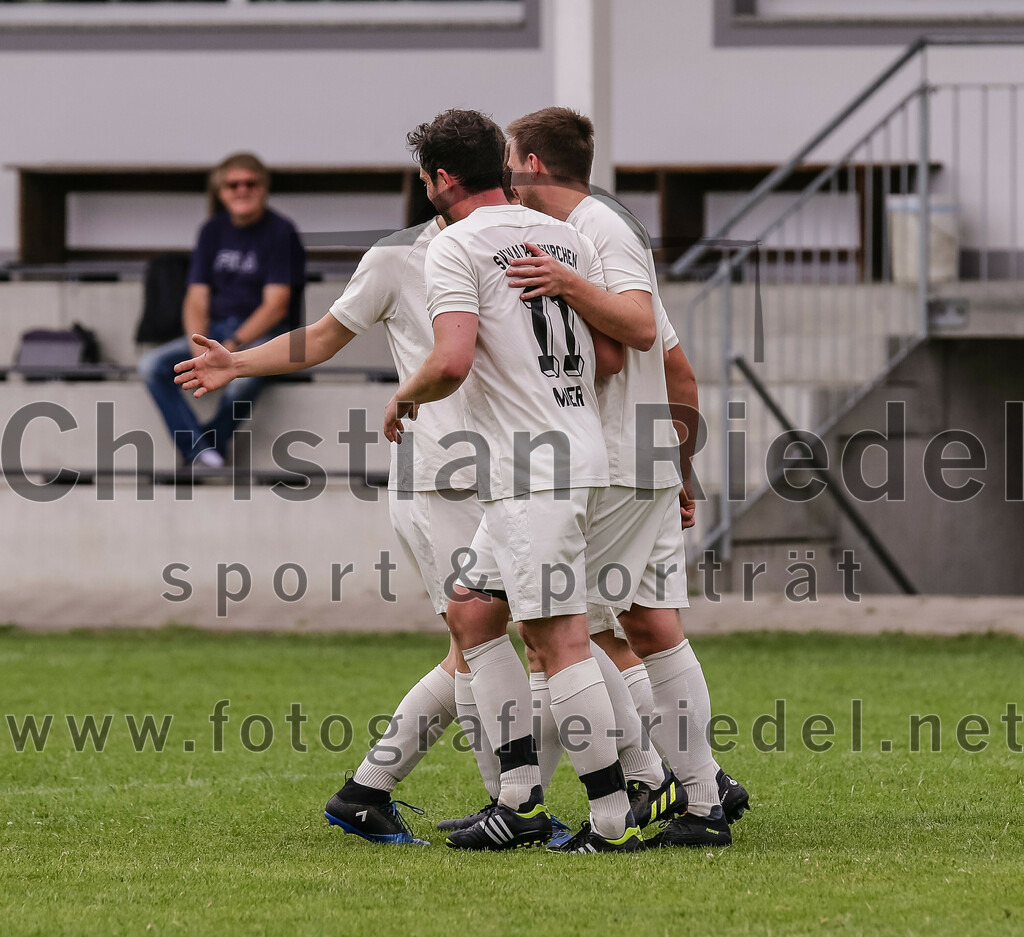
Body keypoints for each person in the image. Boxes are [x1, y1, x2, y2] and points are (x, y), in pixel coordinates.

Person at [383, 108, 644, 854]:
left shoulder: (453, 245)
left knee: (558, 638)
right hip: (569, 447)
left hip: (536, 464)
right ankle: (520, 798)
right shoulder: (559, 235)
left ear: (440, 178)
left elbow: (453, 359)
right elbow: (613, 357)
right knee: (472, 611)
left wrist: (405, 394)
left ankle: (612, 818)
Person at [503, 106, 748, 847]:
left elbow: (639, 330)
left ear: (533, 164)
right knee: (648, 625)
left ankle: (633, 791)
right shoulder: (596, 232)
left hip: (610, 462)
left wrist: (564, 282)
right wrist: (681, 462)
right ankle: (706, 800)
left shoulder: (597, 232)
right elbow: (674, 362)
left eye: (509, 160)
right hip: (638, 460)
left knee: (555, 631)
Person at [140, 152, 305, 468]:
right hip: (215, 331)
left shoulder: (281, 232)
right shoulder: (212, 231)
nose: (241, 190)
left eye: (250, 183)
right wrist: (195, 343)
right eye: (232, 185)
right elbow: (196, 298)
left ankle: (205, 449)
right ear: (221, 192)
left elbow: (276, 306)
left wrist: (231, 348)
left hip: (268, 335)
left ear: (263, 187)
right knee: (151, 366)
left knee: (242, 380)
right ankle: (200, 451)